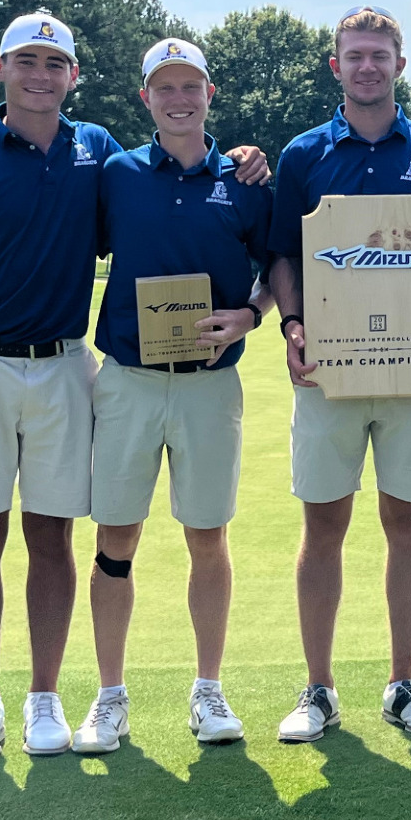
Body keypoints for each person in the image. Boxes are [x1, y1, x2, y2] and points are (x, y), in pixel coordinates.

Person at [0, 11, 266, 762]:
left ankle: (46, 699)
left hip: (69, 364)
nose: (40, 75)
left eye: (54, 64)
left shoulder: (96, 152)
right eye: (26, 61)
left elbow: (224, 227)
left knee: (53, 535)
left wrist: (245, 164)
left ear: (74, 77)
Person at [267, 6, 411, 743]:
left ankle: (402, 684)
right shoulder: (302, 155)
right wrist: (293, 327)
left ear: (400, 64)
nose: (367, 66)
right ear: (336, 66)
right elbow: (284, 256)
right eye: (354, 55)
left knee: (405, 523)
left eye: (379, 56)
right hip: (329, 373)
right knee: (323, 524)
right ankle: (319, 689)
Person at [69, 39, 274, 754]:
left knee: (207, 537)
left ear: (209, 95)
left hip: (211, 386)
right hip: (126, 379)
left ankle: (208, 691)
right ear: (145, 99)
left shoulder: (245, 179)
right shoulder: (117, 174)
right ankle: (109, 696)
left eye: (191, 86)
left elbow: (276, 268)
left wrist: (252, 314)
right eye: (165, 88)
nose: (179, 99)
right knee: (115, 537)